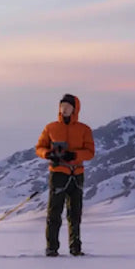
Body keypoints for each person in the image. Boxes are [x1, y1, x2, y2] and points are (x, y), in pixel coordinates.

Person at [35, 93, 95, 256]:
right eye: (62, 106)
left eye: (68, 106)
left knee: (75, 213)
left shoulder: (84, 129)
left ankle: (75, 248)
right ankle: (51, 248)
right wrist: (48, 154)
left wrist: (74, 155)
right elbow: (39, 148)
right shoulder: (51, 128)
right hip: (58, 173)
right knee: (54, 213)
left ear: (75, 109)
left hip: (77, 174)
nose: (64, 109)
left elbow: (90, 152)